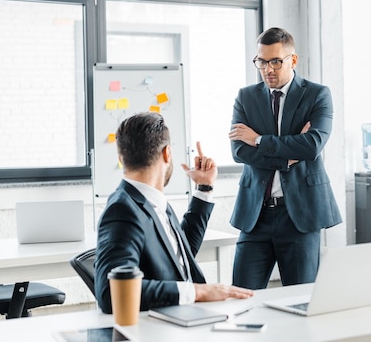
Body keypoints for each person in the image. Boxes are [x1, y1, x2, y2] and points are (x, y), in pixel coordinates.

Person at [95, 112, 253, 313]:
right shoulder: (122, 210)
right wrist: (198, 292)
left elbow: (179, 254)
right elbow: (113, 293)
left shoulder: (152, 199)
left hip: (186, 316)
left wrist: (204, 187)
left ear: (121, 158)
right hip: (163, 325)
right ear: (166, 153)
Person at [228, 27, 343, 289]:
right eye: (261, 61)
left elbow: (311, 145)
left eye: (275, 62)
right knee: (242, 296)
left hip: (300, 214)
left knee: (300, 299)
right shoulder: (246, 97)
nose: (268, 69)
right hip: (255, 214)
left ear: (293, 60)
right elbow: (239, 152)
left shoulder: (317, 95)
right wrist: (287, 157)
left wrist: (258, 140)